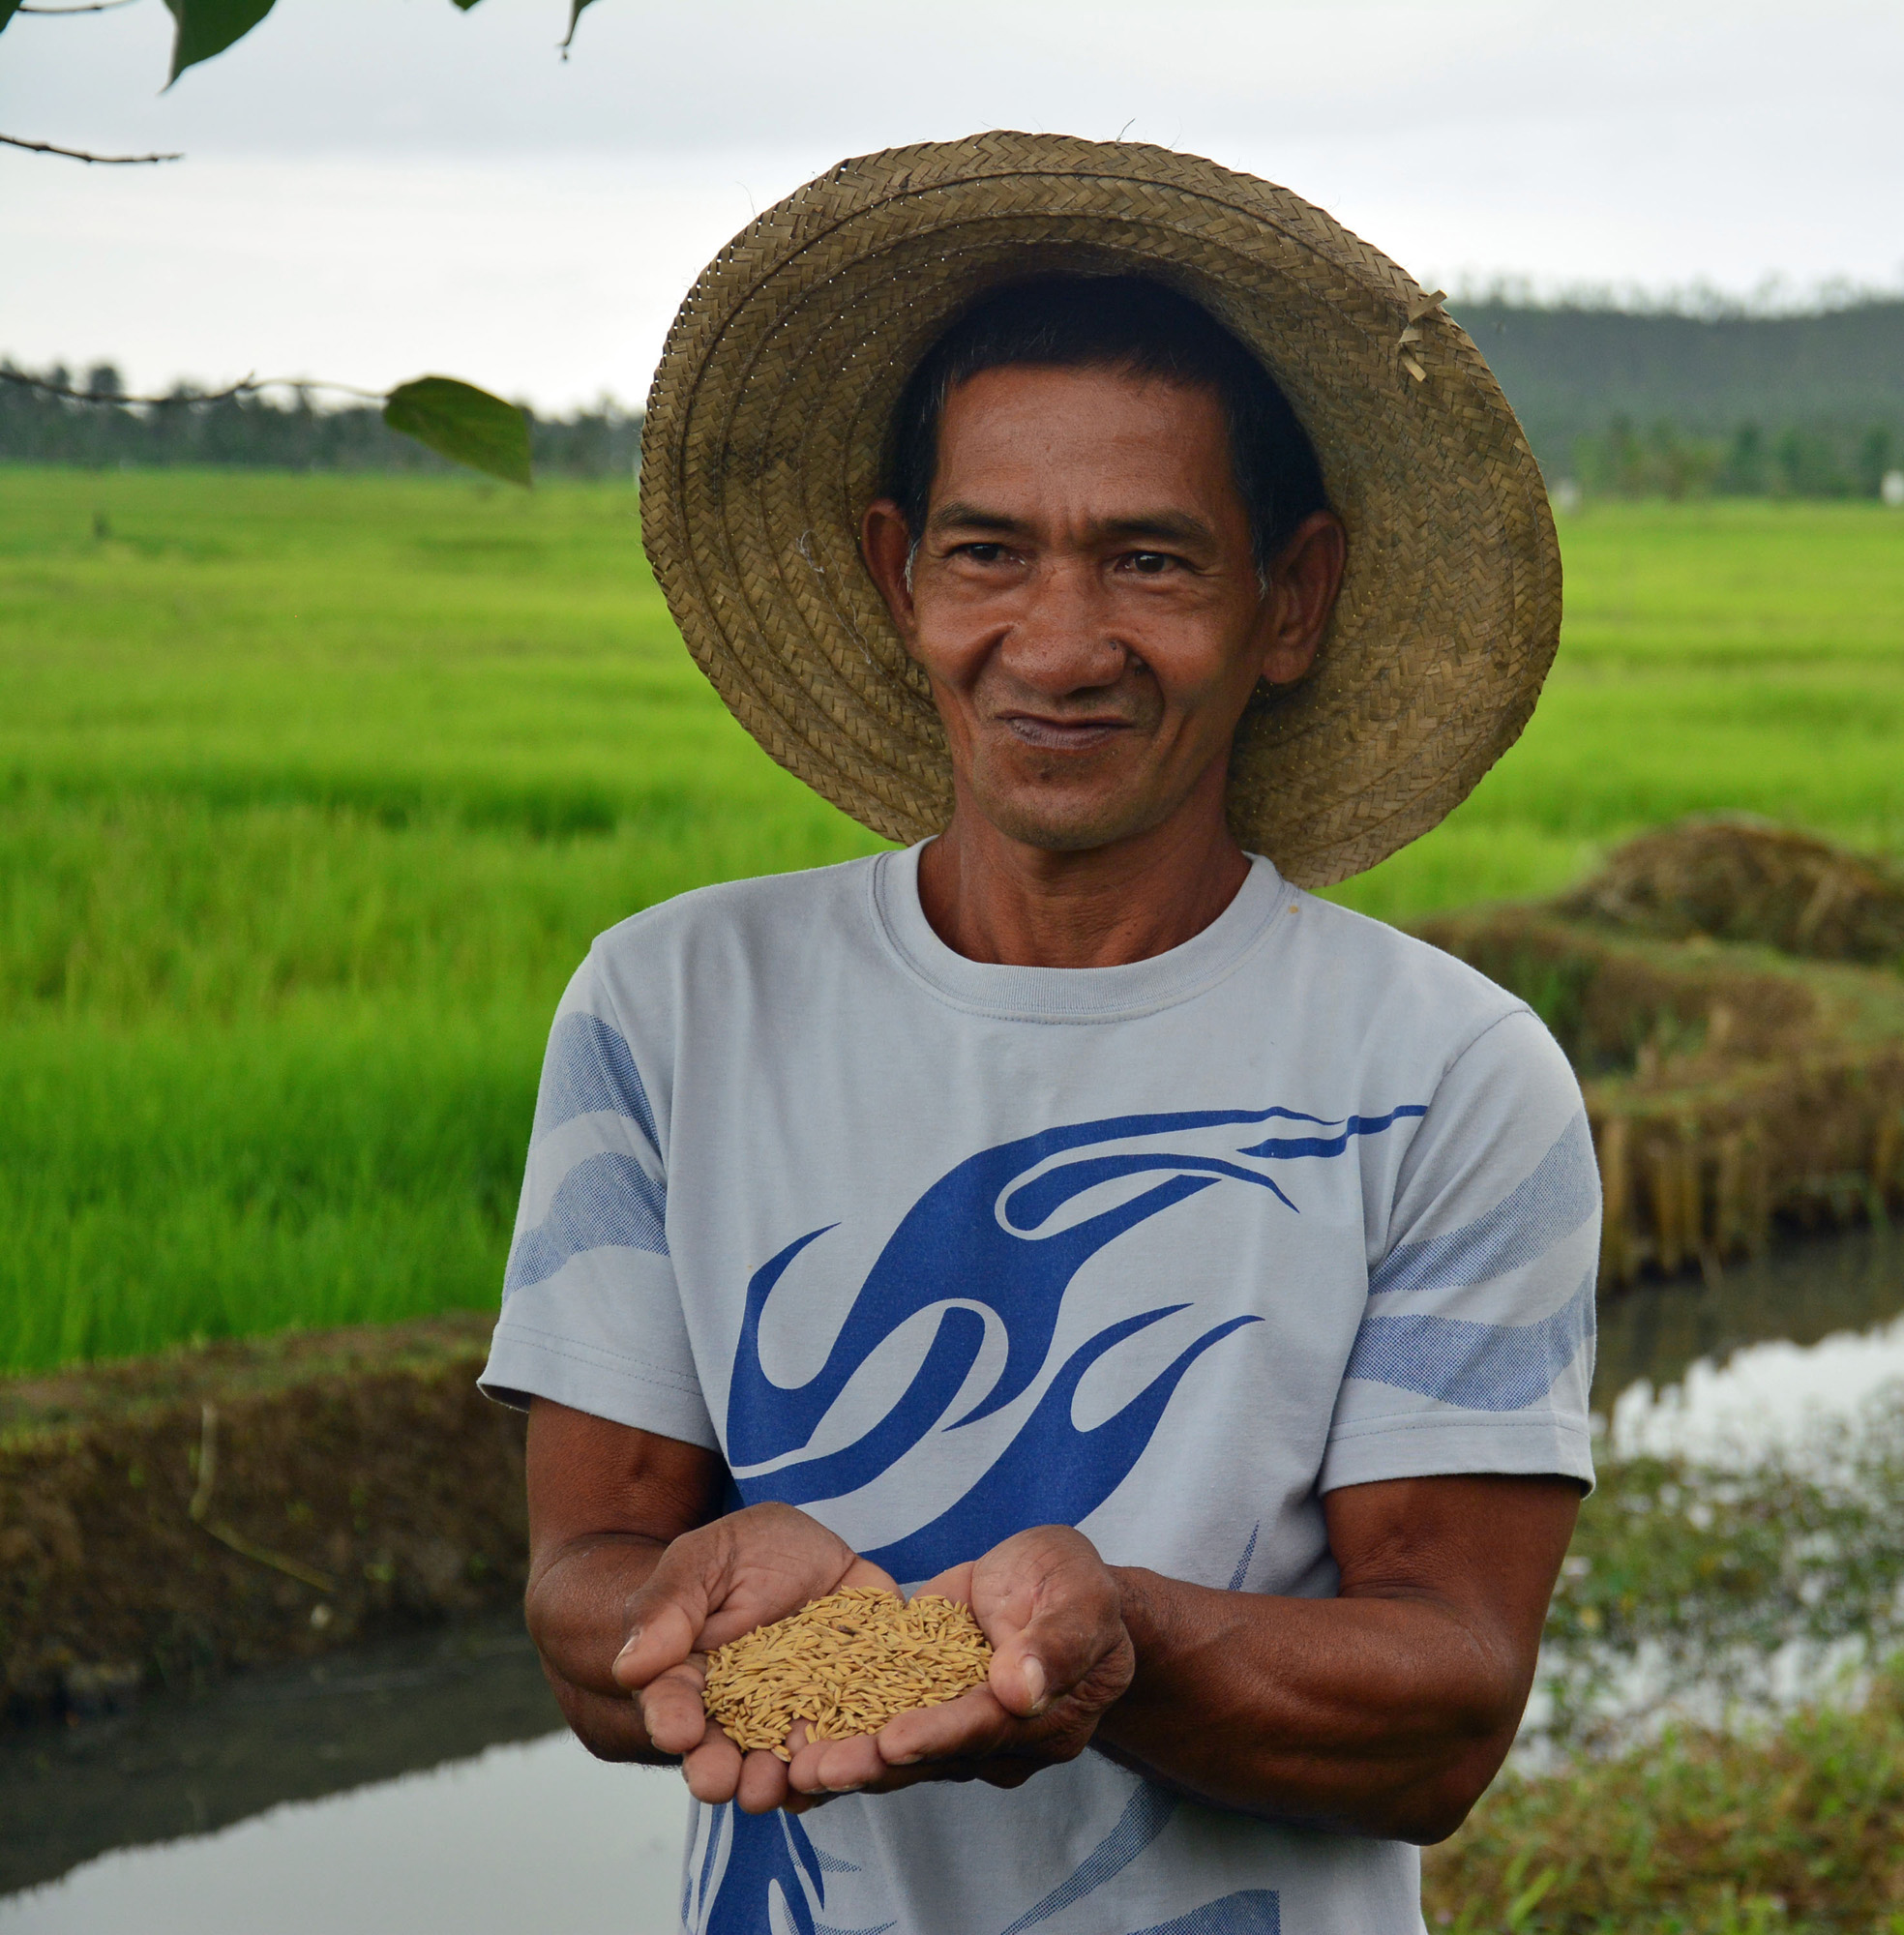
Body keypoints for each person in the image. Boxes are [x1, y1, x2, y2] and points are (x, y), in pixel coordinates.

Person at [481, 134, 1590, 1935]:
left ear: (1287, 601)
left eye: (1151, 561)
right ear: (897, 570)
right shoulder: (673, 1004)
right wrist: (701, 1605)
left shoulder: (1446, 1075)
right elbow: (583, 1610)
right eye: (990, 551)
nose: (1057, 644)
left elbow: (1446, 1712)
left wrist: (1119, 1641)